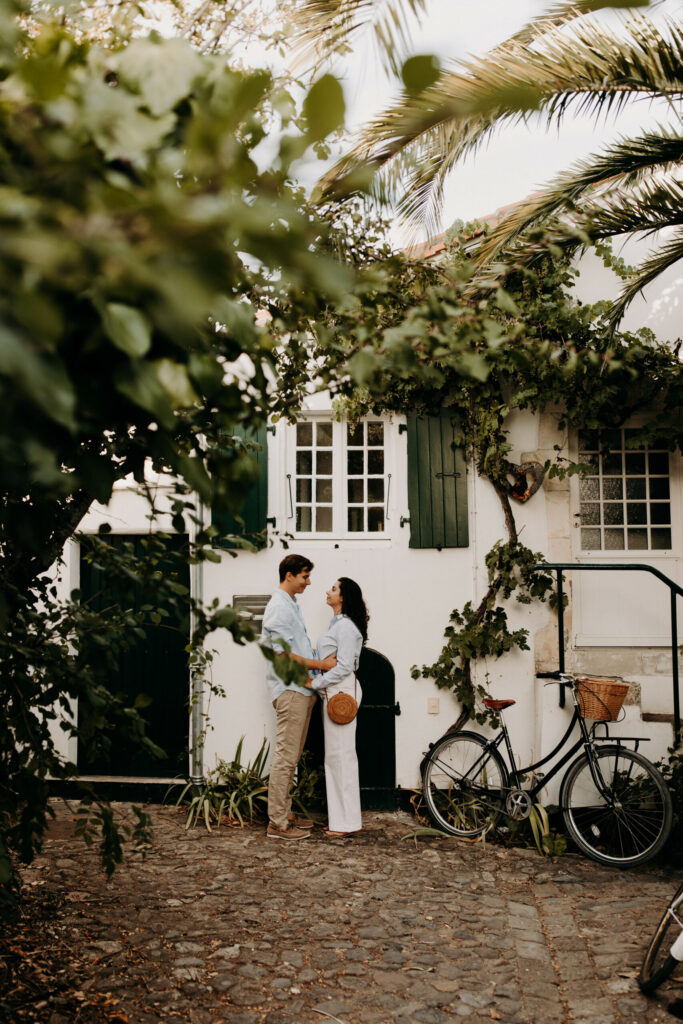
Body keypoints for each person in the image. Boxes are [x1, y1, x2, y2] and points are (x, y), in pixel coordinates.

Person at [261, 554, 336, 841]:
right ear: (289, 575)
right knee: (285, 758)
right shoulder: (279, 606)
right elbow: (281, 654)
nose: (308, 581)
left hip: (301, 689)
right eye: (304, 576)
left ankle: (285, 813)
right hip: (291, 690)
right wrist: (320, 667)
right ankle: (278, 823)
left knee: (290, 758)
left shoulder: (290, 604)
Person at [307, 577, 369, 838]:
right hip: (334, 691)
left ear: (343, 597)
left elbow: (344, 665)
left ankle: (345, 824)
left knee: (341, 758)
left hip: (340, 693)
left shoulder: (345, 626)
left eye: (333, 588)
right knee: (336, 757)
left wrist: (316, 682)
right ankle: (341, 820)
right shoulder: (338, 625)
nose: (327, 591)